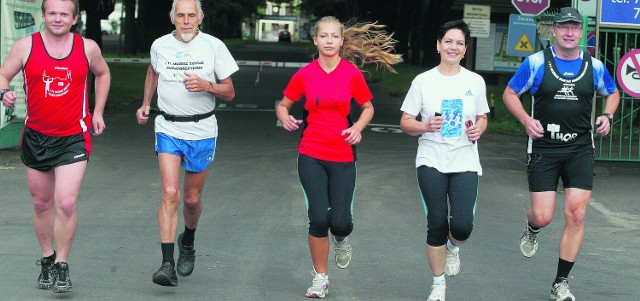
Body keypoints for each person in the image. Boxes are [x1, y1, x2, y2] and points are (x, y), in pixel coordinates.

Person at [276, 16, 401, 299]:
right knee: (319, 218)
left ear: (341, 41)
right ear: (316, 40)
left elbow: (367, 107)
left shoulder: (351, 74)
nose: (330, 41)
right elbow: (284, 105)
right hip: (311, 153)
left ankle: (342, 239)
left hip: (343, 154)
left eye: (335, 36)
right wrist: (285, 118)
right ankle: (320, 278)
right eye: (324, 36)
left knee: (340, 221)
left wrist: (357, 128)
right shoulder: (305, 74)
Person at [503, 7, 620, 301]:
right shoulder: (536, 63)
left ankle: (561, 282)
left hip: (579, 147)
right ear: (554, 30)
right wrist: (526, 120)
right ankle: (532, 227)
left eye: (575, 28)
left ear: (581, 33)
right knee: (544, 216)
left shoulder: (593, 66)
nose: (569, 32)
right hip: (544, 147)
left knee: (577, 213)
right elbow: (509, 93)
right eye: (564, 27)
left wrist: (607, 115)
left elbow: (613, 91)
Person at [0, 0, 110, 294]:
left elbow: (103, 73)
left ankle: (62, 264)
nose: (58, 18)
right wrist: (4, 92)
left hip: (74, 135)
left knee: (66, 202)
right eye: (52, 13)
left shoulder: (87, 48)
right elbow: (2, 75)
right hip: (36, 136)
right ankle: (47, 258)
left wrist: (97, 111)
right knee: (41, 203)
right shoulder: (26, 47)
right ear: (44, 15)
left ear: (74, 18)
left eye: (64, 14)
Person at [135, 0, 238, 287]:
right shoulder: (159, 46)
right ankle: (167, 264)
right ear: (173, 19)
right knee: (170, 193)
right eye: (180, 15)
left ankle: (188, 240)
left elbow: (230, 91)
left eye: (191, 15)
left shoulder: (214, 46)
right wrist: (146, 104)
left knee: (191, 201)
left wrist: (207, 86)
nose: (186, 20)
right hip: (168, 126)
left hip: (202, 129)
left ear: (200, 18)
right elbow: (153, 71)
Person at [399, 19, 489, 301]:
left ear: (465, 50)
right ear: (438, 45)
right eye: (448, 41)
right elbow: (405, 122)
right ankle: (438, 284)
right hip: (431, 158)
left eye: (459, 43)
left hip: (464, 159)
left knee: (462, 225)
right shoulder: (423, 81)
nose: (453, 47)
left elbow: (483, 117)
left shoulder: (475, 82)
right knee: (436, 221)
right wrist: (426, 126)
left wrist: (478, 128)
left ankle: (454, 247)